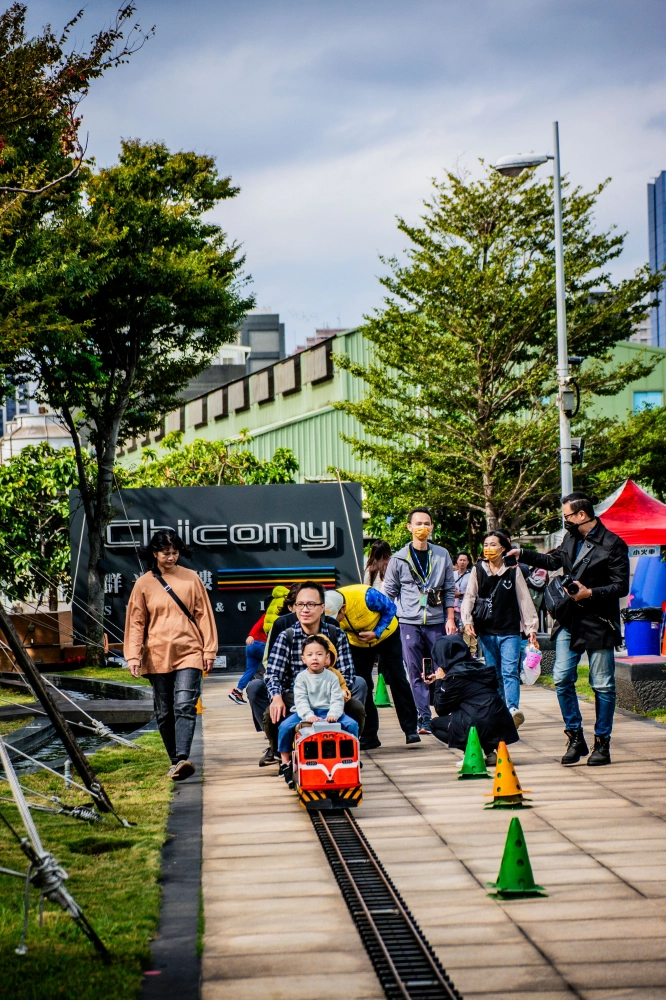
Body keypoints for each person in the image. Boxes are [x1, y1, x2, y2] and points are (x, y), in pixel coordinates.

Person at [507, 492, 629, 766]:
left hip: (599, 622)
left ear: (582, 515)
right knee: (562, 678)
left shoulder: (613, 544)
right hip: (569, 619)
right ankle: (575, 737)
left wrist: (591, 593)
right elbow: (554, 562)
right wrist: (522, 554)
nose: (565, 521)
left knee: (602, 685)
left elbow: (621, 586)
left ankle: (602, 743)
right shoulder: (571, 538)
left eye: (567, 516)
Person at [124, 530, 217, 781]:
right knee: (164, 713)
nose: (171, 557)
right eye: (166, 553)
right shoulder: (143, 583)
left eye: (175, 552)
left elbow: (204, 616)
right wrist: (133, 656)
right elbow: (136, 622)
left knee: (185, 705)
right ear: (155, 553)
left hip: (189, 651)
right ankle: (175, 762)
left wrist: (209, 650)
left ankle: (183, 757)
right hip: (157, 654)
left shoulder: (191, 578)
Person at [256, 581, 367, 769]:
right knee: (271, 714)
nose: (305, 609)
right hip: (294, 695)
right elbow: (273, 673)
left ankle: (347, 751)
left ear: (322, 607)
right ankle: (280, 756)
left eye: (311, 604)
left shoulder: (336, 634)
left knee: (356, 708)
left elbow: (347, 674)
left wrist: (341, 695)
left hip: (329, 693)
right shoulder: (286, 636)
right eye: (300, 604)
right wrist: (276, 697)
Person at [383, 507, 456, 734]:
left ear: (431, 527)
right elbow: (389, 593)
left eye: (426, 523)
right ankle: (424, 717)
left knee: (441, 667)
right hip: (409, 622)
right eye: (418, 523)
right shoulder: (398, 558)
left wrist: (450, 618)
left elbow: (449, 588)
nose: (422, 527)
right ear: (409, 527)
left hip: (436, 621)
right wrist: (387, 623)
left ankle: (444, 712)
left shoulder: (442, 554)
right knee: (415, 671)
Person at [460, 530, 538, 729]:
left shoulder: (513, 569)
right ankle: (500, 711)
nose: (489, 549)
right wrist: (467, 620)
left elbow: (524, 598)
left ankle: (512, 709)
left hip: (510, 631)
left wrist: (531, 627)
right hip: (486, 631)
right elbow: (470, 595)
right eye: (486, 545)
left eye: (493, 544)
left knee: (510, 671)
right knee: (495, 673)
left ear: (503, 548)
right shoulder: (478, 569)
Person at [325, 586, 420, 749]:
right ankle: (369, 735)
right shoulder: (327, 604)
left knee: (397, 678)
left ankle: (411, 729)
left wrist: (377, 632)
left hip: (386, 636)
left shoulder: (366, 596)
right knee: (363, 684)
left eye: (337, 618)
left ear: (343, 608)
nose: (336, 622)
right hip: (358, 643)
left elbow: (391, 609)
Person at [277, 634, 359, 787]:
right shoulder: (301, 678)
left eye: (319, 654)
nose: (314, 658)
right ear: (303, 658)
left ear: (327, 657)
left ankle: (351, 755)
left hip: (328, 711)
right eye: (310, 655)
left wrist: (333, 714)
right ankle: (285, 762)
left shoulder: (332, 677)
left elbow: (337, 699)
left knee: (352, 725)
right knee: (285, 727)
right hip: (306, 712)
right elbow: (300, 700)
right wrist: (308, 715)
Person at [428, 634, 518, 764]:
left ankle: (472, 752)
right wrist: (441, 680)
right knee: (469, 709)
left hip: (481, 725)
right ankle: (489, 753)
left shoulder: (455, 677)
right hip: (501, 726)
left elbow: (441, 708)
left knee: (435, 725)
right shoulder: (479, 667)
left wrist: (440, 682)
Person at [229, 585, 289, 705]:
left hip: (251, 646)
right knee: (275, 665)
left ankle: (237, 691)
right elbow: (261, 626)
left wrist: (251, 635)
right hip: (260, 645)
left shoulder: (266, 615)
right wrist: (252, 635)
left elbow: (256, 626)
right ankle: (273, 691)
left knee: (250, 670)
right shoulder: (272, 616)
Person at [453, 552, 472, 631]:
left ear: (468, 562)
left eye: (464, 560)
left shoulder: (471, 575)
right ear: (457, 561)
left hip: (465, 608)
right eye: (460, 560)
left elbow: (473, 592)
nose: (462, 562)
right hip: (451, 608)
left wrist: (460, 594)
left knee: (462, 630)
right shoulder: (451, 574)